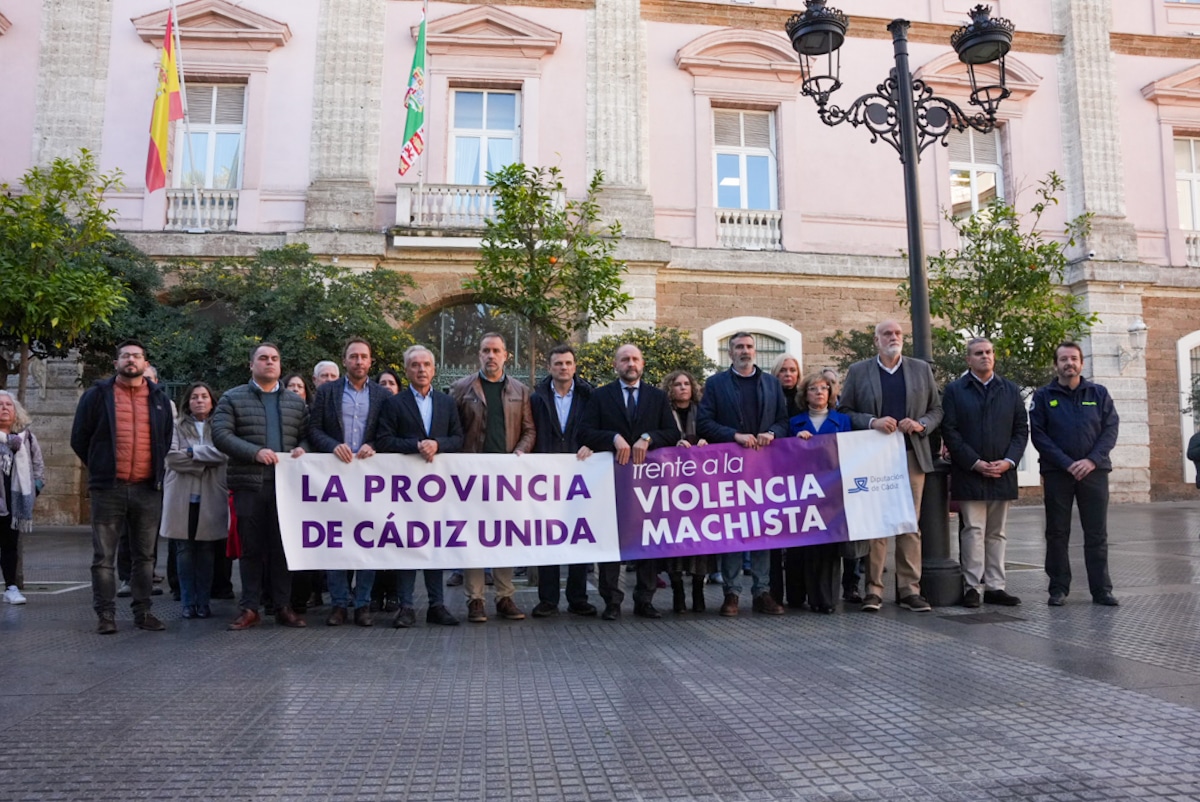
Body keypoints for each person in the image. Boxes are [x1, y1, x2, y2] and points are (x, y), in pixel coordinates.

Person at [838, 319, 942, 613]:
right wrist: (872, 421)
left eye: (897, 333)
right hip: (874, 457)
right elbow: (845, 410)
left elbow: (937, 409)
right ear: (876, 341)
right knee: (878, 524)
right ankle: (874, 590)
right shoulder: (859, 371)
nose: (893, 337)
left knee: (909, 523)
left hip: (911, 455)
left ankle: (910, 590)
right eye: (887, 333)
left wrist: (921, 424)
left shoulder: (920, 369)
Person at [70, 340, 174, 634]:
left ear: (145, 362)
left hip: (146, 489)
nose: (131, 360)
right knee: (104, 557)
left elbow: (164, 439)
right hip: (108, 489)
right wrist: (101, 467)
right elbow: (79, 438)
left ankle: (143, 613)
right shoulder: (96, 396)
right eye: (125, 356)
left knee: (145, 557)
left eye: (136, 356)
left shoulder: (159, 399)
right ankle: (105, 615)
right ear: (116, 363)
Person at [578, 344, 680, 620]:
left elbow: (671, 432)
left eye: (635, 359)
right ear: (615, 365)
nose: (630, 363)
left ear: (642, 364)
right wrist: (612, 438)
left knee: (647, 540)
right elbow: (585, 431)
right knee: (611, 541)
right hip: (611, 483)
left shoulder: (658, 397)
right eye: (625, 359)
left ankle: (645, 600)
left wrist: (648, 437)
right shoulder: (600, 396)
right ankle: (612, 601)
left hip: (648, 484)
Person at [212, 343, 309, 630]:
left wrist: (303, 449)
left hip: (286, 489)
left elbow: (307, 435)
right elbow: (220, 434)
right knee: (251, 549)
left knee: (283, 548)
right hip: (249, 485)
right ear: (251, 364)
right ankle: (250, 608)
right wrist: (253, 452)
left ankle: (282, 606)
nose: (270, 363)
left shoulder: (295, 402)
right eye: (263, 358)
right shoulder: (232, 398)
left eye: (275, 359)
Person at [696, 332, 788, 617]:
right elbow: (704, 423)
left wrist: (772, 433)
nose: (745, 350)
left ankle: (762, 592)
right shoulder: (716, 384)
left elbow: (784, 421)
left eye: (749, 346)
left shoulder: (772, 384)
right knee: (733, 530)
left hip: (764, 469)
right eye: (739, 347)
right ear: (730, 352)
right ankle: (732, 593)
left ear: (755, 351)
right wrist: (734, 436)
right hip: (730, 470)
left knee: (763, 529)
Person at [374, 345, 463, 628]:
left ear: (434, 369)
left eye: (426, 364)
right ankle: (407, 607)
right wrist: (415, 446)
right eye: (415, 365)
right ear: (407, 369)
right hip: (405, 490)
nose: (421, 369)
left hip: (437, 489)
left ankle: (437, 606)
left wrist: (438, 444)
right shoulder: (393, 403)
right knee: (407, 546)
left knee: (435, 545)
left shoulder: (447, 403)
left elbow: (458, 438)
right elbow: (384, 440)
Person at [450, 333, 535, 623]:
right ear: (479, 355)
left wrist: (520, 452)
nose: (491, 356)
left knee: (504, 537)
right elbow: (454, 429)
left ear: (506, 355)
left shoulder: (520, 390)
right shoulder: (462, 388)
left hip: (506, 480)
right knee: (474, 537)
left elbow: (529, 430)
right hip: (471, 479)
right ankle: (475, 600)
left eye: (496, 350)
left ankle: (505, 597)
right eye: (486, 350)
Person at [307, 337, 390, 627]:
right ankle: (339, 604)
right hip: (335, 478)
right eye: (353, 356)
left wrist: (374, 445)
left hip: (370, 480)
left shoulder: (382, 395)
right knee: (336, 541)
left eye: (363, 357)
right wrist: (332, 445)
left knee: (368, 541)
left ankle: (363, 604)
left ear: (370, 362)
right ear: (345, 360)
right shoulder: (327, 392)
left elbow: (387, 431)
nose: (358, 361)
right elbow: (314, 429)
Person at [1030, 342, 1120, 607]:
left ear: (1081, 363)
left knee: (1096, 533)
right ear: (1055, 364)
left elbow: (1110, 430)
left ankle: (1101, 590)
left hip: (1095, 472)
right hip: (1058, 473)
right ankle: (1058, 588)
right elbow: (1039, 435)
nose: (1069, 363)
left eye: (1073, 358)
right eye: (1063, 359)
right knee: (1057, 532)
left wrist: (1092, 460)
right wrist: (1068, 463)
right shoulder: (1043, 396)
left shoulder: (1098, 393)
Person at [941, 338, 1028, 608]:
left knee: (997, 532)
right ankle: (972, 586)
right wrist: (974, 462)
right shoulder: (955, 390)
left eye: (989, 352)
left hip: (1003, 472)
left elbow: (1021, 430)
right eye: (978, 353)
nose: (985, 357)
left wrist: (1009, 461)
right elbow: (950, 432)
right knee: (974, 531)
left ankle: (995, 586)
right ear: (968, 359)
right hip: (970, 472)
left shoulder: (1010, 390)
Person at [530, 345, 599, 618]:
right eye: (558, 363)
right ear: (550, 367)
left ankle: (578, 598)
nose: (563, 367)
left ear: (575, 366)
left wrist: (591, 445)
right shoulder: (536, 396)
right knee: (548, 537)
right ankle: (547, 599)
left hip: (579, 474)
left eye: (568, 363)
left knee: (579, 536)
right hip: (544, 476)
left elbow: (596, 427)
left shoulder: (588, 395)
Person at [160, 382, 229, 619]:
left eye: (204, 396)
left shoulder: (221, 426)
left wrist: (191, 452)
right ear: (187, 402)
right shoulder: (176, 426)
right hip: (181, 496)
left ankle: (204, 601)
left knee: (207, 551)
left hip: (210, 495)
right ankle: (188, 602)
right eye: (194, 397)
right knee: (184, 551)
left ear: (212, 401)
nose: (199, 400)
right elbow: (171, 458)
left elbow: (224, 453)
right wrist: (204, 459)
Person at [788, 371, 853, 613]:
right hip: (804, 493)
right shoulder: (794, 423)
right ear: (805, 395)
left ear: (831, 393)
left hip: (833, 491)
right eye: (813, 389)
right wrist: (796, 442)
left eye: (824, 388)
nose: (819, 393)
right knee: (806, 547)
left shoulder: (843, 421)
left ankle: (826, 599)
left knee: (829, 547)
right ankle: (803, 595)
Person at [659, 369, 711, 613]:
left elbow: (714, 433)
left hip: (701, 486)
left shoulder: (703, 413)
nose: (682, 388)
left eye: (686, 384)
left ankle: (699, 589)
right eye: (677, 384)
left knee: (701, 539)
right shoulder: (663, 413)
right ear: (670, 388)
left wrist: (705, 443)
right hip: (671, 487)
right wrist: (672, 444)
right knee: (675, 539)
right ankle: (677, 589)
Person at [0, 391, 44, 605]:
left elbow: (38, 466)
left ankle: (11, 587)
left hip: (14, 501)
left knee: (9, 545)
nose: (5, 408)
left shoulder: (26, 437)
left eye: (8, 404)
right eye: (0, 404)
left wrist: (34, 488)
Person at [770, 354, 804, 609]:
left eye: (793, 370)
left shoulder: (804, 401)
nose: (788, 374)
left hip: (800, 476)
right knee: (772, 537)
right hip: (770, 473)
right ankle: (773, 593)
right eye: (783, 370)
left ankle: (796, 594)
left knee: (797, 537)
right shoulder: (770, 398)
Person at [370, 367, 403, 612]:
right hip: (372, 486)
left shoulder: (402, 408)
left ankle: (393, 593)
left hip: (401, 488)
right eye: (382, 383)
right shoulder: (373, 411)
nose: (387, 387)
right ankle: (372, 594)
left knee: (394, 544)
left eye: (392, 382)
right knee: (372, 543)